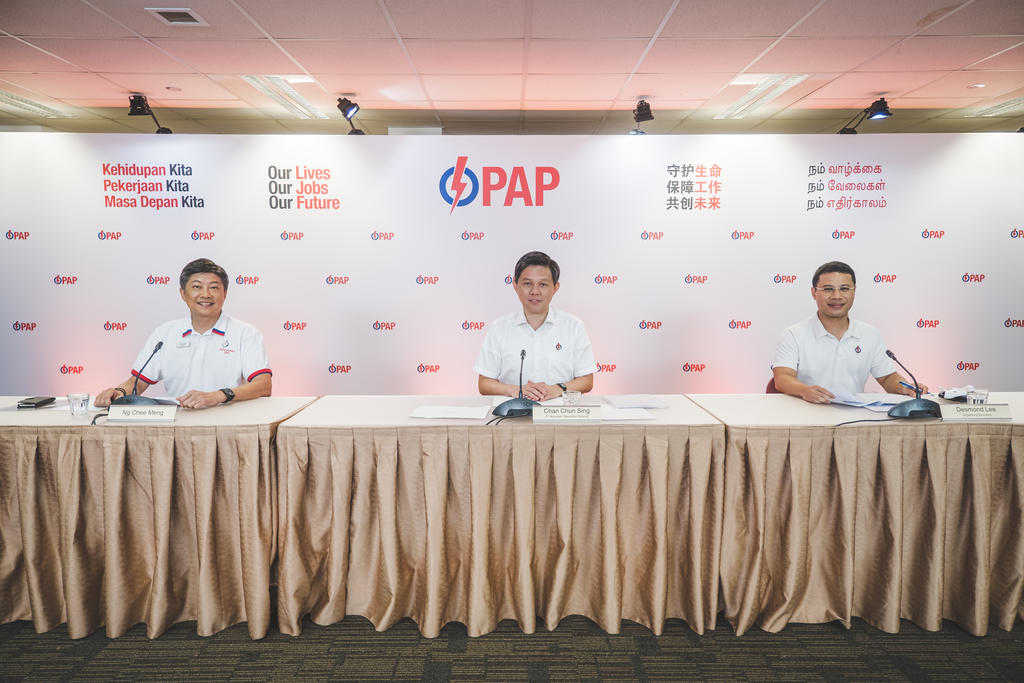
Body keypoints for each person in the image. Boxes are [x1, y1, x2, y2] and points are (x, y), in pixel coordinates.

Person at [95, 258, 272, 409]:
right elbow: (138, 382)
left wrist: (218, 396)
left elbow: (263, 385)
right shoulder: (165, 333)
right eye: (197, 287)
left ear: (224, 294)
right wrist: (118, 392)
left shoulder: (245, 333)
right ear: (183, 294)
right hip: (176, 425)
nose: (205, 294)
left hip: (229, 424)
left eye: (214, 288)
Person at [772, 260, 927, 404]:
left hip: (854, 417)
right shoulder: (793, 334)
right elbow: (782, 378)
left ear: (854, 291)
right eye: (828, 289)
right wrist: (805, 391)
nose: (837, 296)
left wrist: (905, 387)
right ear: (814, 293)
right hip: (807, 413)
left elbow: (887, 378)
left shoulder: (869, 334)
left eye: (844, 289)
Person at [475, 251, 596, 401]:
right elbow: (484, 383)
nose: (535, 291)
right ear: (515, 285)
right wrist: (517, 390)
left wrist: (557, 389)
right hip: (512, 416)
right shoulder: (498, 328)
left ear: (555, 288)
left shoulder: (573, 326)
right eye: (527, 284)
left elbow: (586, 380)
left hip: (559, 416)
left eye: (543, 284)